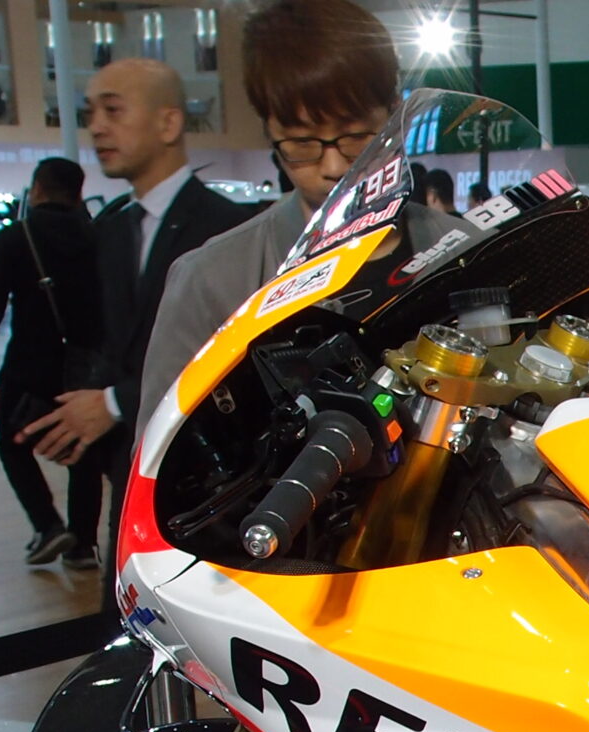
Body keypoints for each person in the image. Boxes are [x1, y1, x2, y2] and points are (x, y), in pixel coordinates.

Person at [19, 58, 257, 583]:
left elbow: (233, 358)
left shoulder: (227, 230)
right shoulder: (111, 229)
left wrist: (113, 402)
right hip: (130, 474)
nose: (97, 128)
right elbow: (115, 343)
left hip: (210, 482)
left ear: (168, 123)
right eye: (91, 113)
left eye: (113, 111)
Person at [141, 0, 419, 429]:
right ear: (268, 131)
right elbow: (162, 449)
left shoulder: (466, 246)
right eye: (301, 144)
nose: (333, 167)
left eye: (357, 137)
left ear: (396, 113)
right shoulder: (211, 281)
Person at [0, 156, 102, 570]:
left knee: (10, 438)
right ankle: (82, 545)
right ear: (77, 193)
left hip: (30, 362)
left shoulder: (17, 237)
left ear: (36, 189)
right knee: (84, 449)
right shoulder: (98, 237)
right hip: (87, 365)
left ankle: (47, 524)